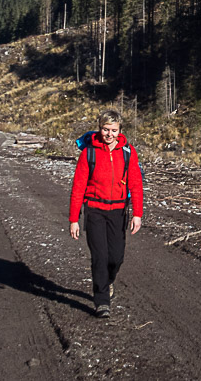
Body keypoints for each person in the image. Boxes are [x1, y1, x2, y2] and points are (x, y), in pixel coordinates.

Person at [68, 110, 143, 318]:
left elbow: (136, 183)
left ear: (120, 131)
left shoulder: (128, 152)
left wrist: (138, 213)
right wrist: (74, 219)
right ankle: (102, 301)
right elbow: (78, 187)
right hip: (94, 211)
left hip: (118, 211)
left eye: (113, 130)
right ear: (99, 128)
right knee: (100, 257)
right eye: (105, 129)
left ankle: (108, 281)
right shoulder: (89, 153)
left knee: (116, 258)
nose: (109, 134)